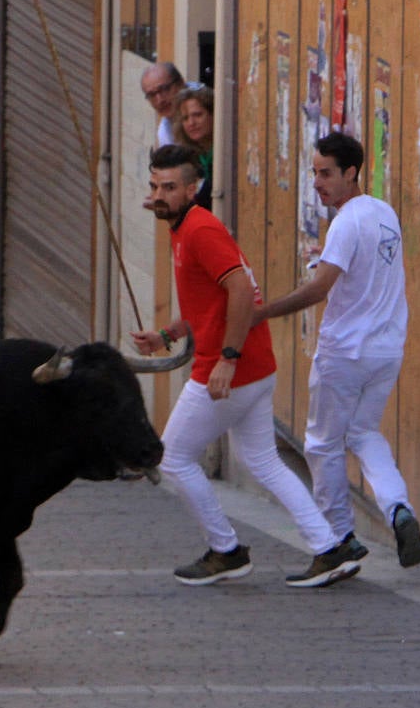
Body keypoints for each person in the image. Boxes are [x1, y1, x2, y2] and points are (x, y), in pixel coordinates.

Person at [130, 145, 361, 588]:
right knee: (263, 460)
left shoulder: (199, 229)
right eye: (155, 186)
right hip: (253, 365)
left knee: (174, 458)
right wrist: (169, 335)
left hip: (230, 367)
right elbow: (211, 302)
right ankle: (328, 548)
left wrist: (227, 360)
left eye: (170, 187)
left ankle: (226, 550)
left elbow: (239, 290)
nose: (160, 194)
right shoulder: (183, 227)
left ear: (193, 189)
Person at [251, 131, 420, 568]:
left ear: (351, 173)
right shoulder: (384, 213)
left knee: (322, 443)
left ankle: (338, 537)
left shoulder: (346, 222)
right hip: (386, 351)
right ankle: (398, 509)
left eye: (326, 173)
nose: (317, 182)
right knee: (364, 433)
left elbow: (320, 289)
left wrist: (262, 313)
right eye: (314, 172)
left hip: (345, 352)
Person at [170, 85, 213, 211]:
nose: (191, 123)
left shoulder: (223, 154)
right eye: (185, 118)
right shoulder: (189, 160)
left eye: (198, 115)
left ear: (213, 115)